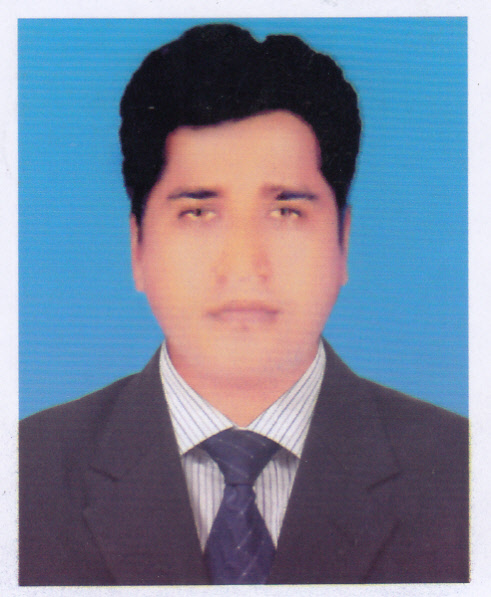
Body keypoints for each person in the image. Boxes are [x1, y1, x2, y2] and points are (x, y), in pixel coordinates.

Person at [19, 23, 468, 585]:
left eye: (286, 211)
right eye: (198, 212)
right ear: (137, 247)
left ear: (343, 242)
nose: (244, 264)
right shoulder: (25, 475)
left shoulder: (465, 473)